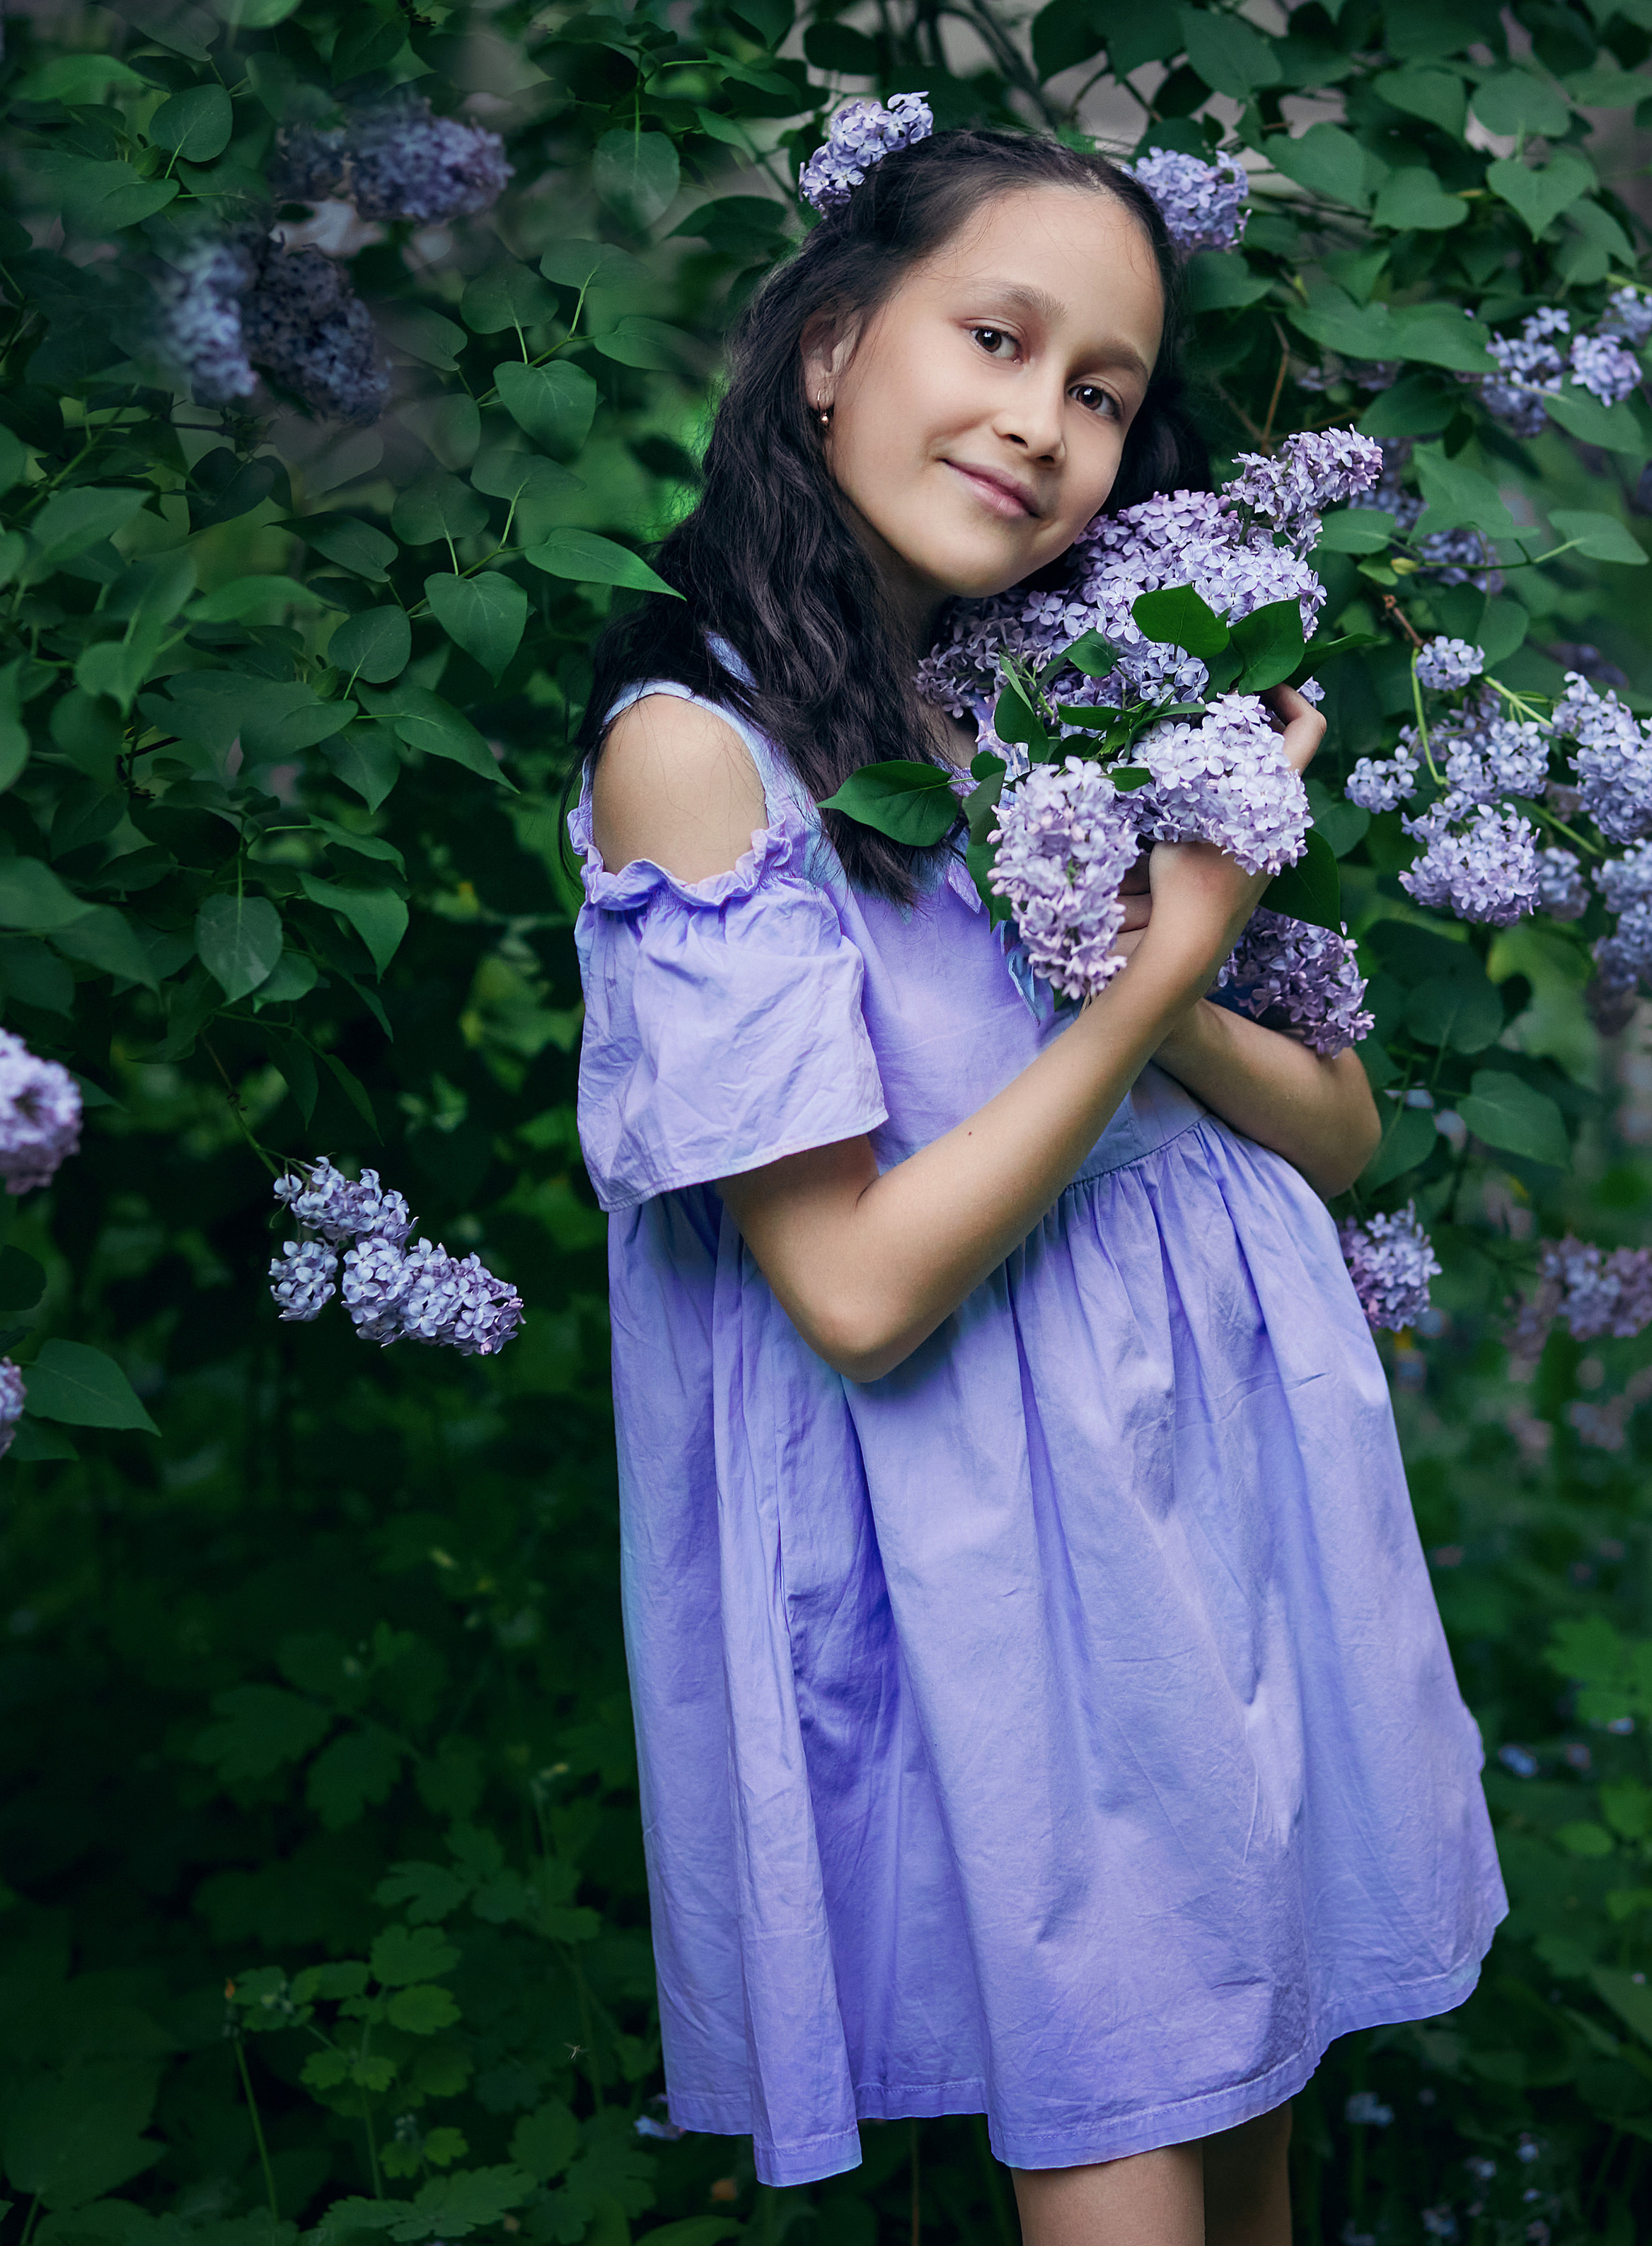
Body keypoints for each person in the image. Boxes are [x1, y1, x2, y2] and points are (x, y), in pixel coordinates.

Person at [567, 125, 1507, 2246]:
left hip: (1215, 1492)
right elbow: (855, 1291)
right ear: (832, 346)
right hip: (997, 1550)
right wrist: (1163, 957)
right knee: (1126, 2134)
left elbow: (1338, 1131)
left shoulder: (1065, 694)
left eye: (1098, 390)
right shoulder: (699, 753)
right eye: (995, 341)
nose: (1040, 423)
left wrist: (1155, 944)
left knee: (1252, 2155)